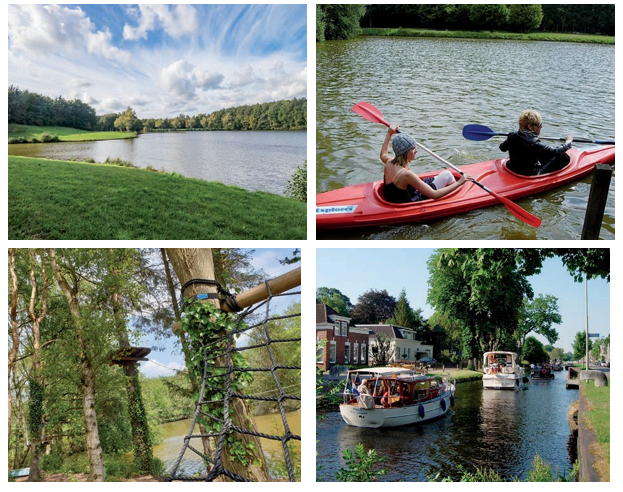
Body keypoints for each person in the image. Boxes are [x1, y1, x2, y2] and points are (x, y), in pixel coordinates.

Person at [381, 125, 473, 204]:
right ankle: (455, 197)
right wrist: (460, 182)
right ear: (405, 153)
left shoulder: (389, 162)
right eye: (413, 149)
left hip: (403, 194)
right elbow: (434, 195)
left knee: (446, 174)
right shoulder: (405, 174)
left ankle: (451, 191)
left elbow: (383, 154)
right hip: (414, 199)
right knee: (448, 175)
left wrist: (389, 134)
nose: (416, 150)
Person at [499, 109, 573, 176]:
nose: (541, 127)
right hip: (530, 174)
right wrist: (568, 142)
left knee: (543, 153)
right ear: (530, 126)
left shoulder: (512, 135)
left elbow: (502, 148)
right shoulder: (534, 143)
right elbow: (556, 152)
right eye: (539, 125)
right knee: (561, 156)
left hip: (512, 169)